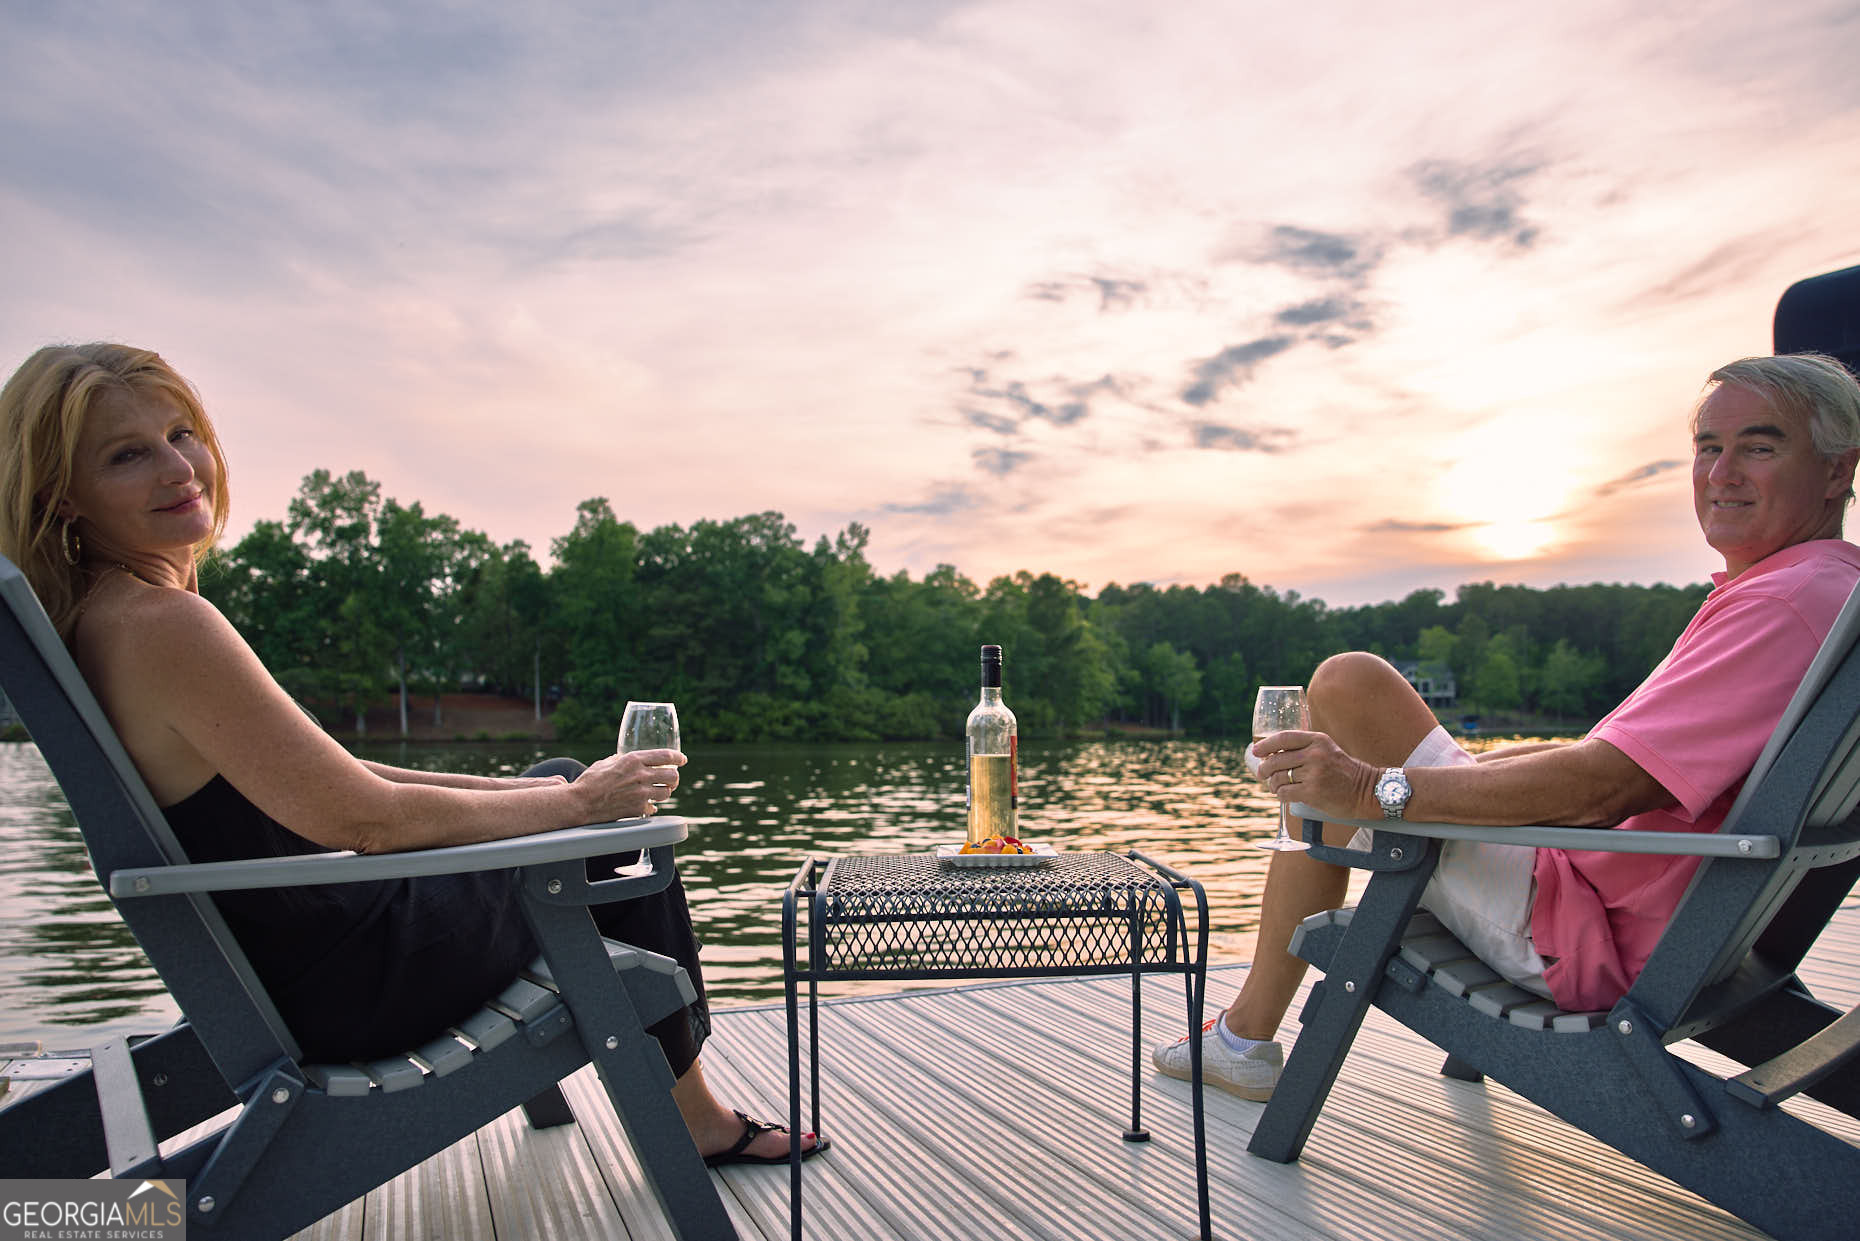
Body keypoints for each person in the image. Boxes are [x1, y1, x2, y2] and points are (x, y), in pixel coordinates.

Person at [0, 342, 826, 1168]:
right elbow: (365, 818)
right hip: (351, 979)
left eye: (182, 434)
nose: (179, 468)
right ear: (62, 496)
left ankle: (682, 1093)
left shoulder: (110, 617)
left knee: (558, 786)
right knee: (609, 840)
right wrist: (579, 809)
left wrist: (532, 794)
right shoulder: (164, 626)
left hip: (295, 958)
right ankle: (697, 1119)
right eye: (128, 454)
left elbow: (345, 775)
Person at [1155, 352, 1860, 1101]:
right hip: (1658, 914)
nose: (1721, 473)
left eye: (1759, 447)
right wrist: (1453, 773)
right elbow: (1623, 762)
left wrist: (1366, 788)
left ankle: (1244, 1036)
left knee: (1345, 689)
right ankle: (1244, 1032)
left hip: (1580, 926)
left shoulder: (1781, 606)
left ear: (1836, 471)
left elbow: (1601, 789)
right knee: (1347, 728)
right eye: (1708, 446)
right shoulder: (1822, 591)